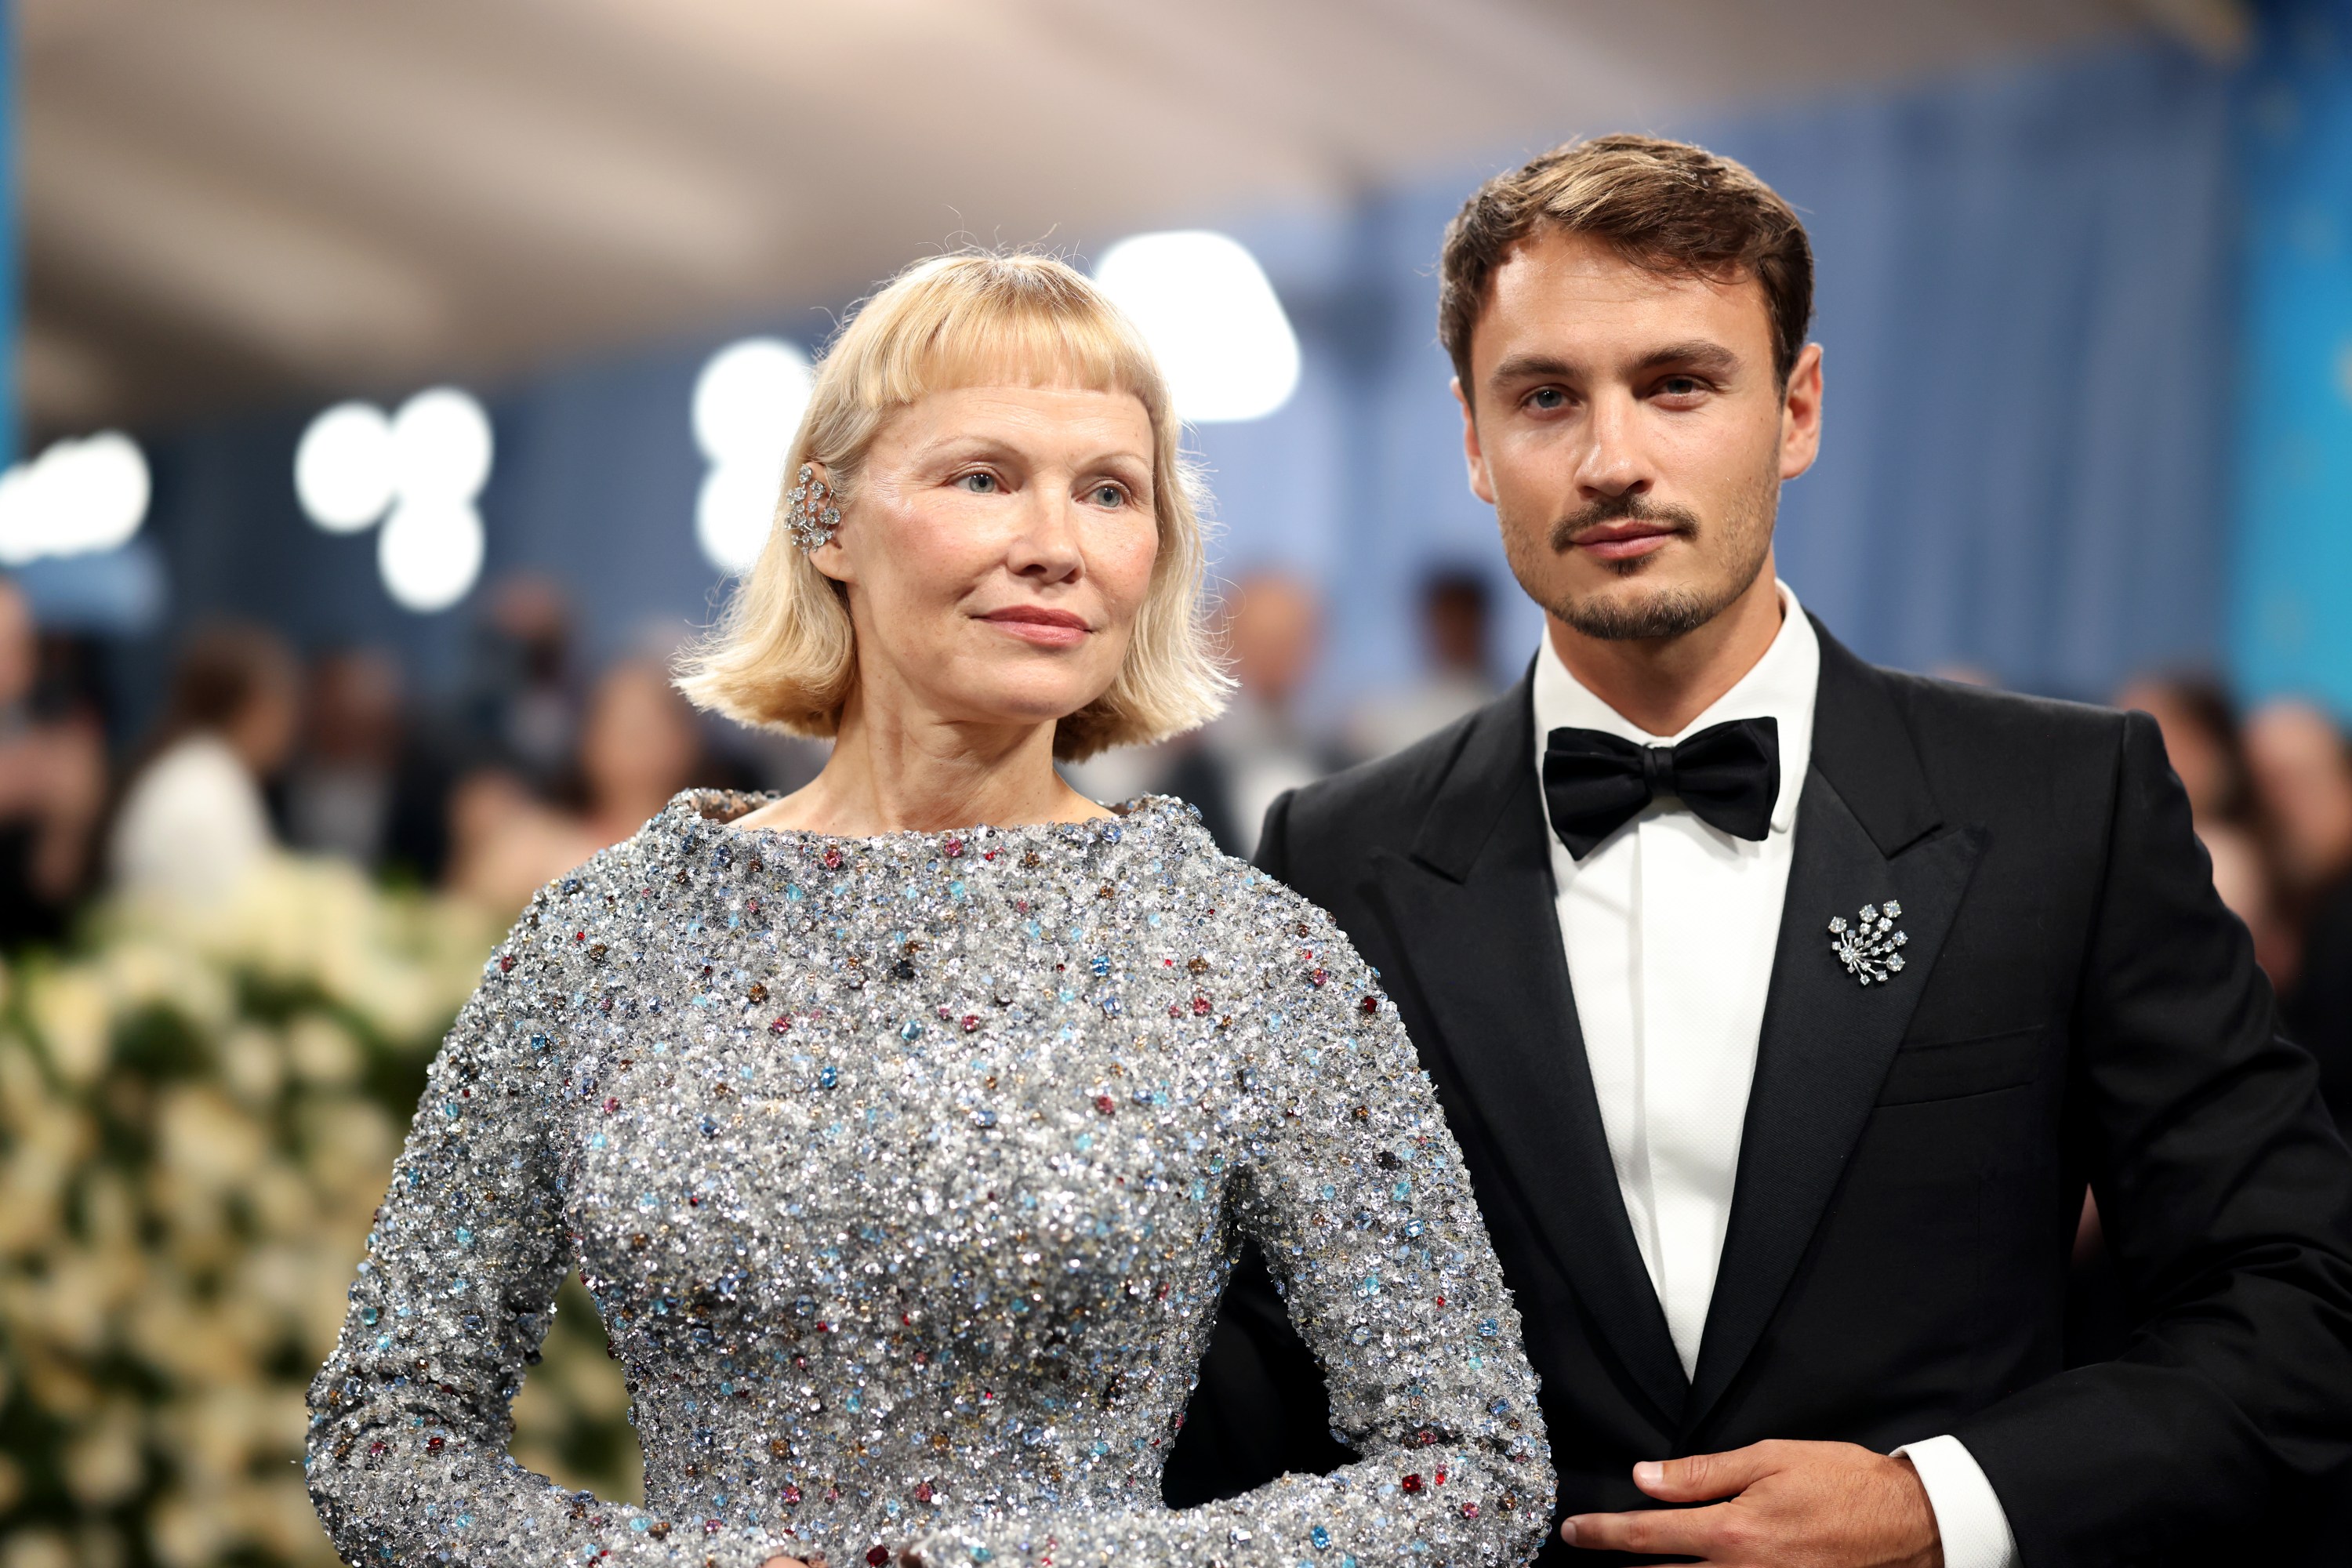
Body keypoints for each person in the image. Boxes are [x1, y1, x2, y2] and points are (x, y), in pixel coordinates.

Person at [1178, 136, 2352, 1566]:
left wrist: (1938, 1503)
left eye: (1680, 384)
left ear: (1796, 409)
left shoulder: (2064, 803)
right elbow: (1258, 1373)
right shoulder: (1335, 857)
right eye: (1547, 397)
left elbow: (2298, 1305)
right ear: (1476, 445)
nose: (1614, 459)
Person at [304, 252, 1554, 1568]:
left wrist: (1067, 1564)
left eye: (1109, 493)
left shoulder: (1249, 956)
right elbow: (382, 1433)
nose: (1055, 546)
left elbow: (1469, 1468)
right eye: (984, 477)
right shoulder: (600, 942)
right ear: (827, 520)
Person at [110, 622, 299, 903]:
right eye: (286, 705)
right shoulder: (205, 785)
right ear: (256, 706)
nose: (291, 726)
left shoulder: (202, 770)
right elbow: (225, 917)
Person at [1161, 572, 1335, 855]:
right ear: (1217, 641)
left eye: (1290, 640)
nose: (1275, 658)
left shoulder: (1344, 763)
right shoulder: (1177, 773)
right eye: (1258, 640)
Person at [0, 577, 105, 947]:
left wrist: (69, 820)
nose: (11, 665)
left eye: (19, 646)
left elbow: (52, 887)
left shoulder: (42, 738)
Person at [1345, 569, 1501, 762]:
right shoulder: (1392, 714)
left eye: (1463, 619)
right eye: (1446, 620)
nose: (1454, 631)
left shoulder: (1507, 711)